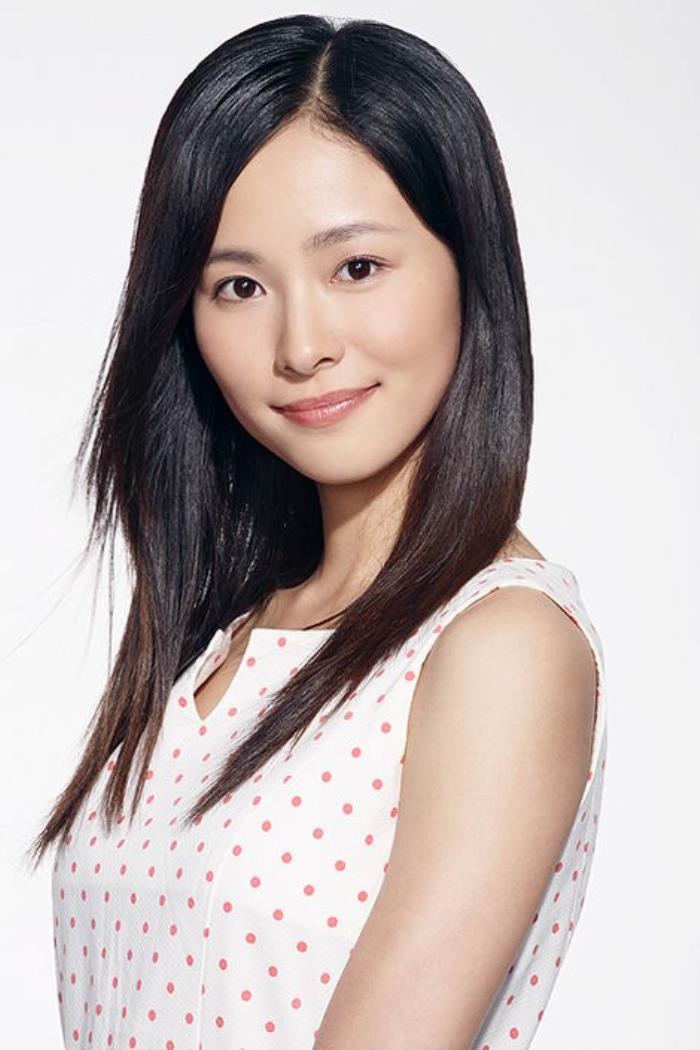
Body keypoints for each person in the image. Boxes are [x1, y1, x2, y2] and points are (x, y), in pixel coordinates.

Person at [27, 14, 608, 1049]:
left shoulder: (500, 645)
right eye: (239, 287)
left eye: (357, 268)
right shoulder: (231, 636)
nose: (301, 345)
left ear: (467, 263)